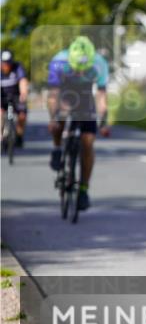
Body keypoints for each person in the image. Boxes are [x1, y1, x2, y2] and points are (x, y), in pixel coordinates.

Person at [47, 36, 111, 211]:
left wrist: (103, 121)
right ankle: (57, 147)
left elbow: (101, 96)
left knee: (88, 142)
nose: (81, 73)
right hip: (65, 93)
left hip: (85, 97)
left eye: (85, 69)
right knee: (59, 121)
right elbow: (53, 94)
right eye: (77, 69)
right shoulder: (59, 61)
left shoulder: (99, 63)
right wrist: (53, 118)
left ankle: (83, 189)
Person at [1, 49, 30, 148]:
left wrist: (23, 93)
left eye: (8, 63)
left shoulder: (18, 67)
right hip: (2, 96)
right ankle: (2, 136)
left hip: (16, 96)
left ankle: (19, 135)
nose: (6, 65)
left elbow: (23, 81)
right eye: (4, 63)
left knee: (22, 115)